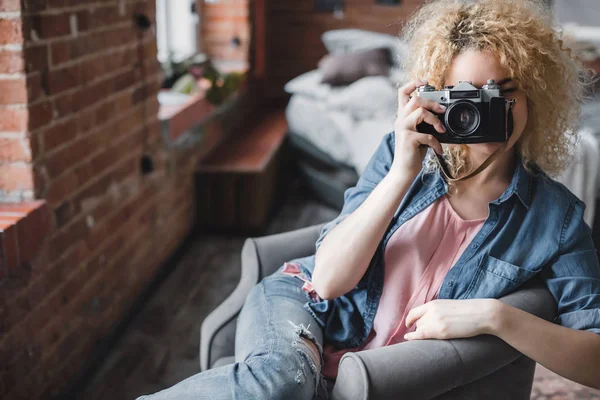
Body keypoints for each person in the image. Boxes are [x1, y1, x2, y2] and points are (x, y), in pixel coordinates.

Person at [137, 0, 600, 398]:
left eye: (502, 92)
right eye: (466, 94)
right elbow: (329, 282)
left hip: (372, 374)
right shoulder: (402, 156)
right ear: (437, 95)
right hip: (306, 306)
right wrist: (402, 171)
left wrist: (497, 316)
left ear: (535, 93)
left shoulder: (555, 219)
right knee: (284, 381)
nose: (481, 109)